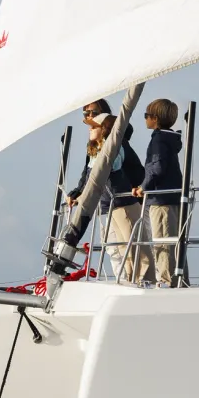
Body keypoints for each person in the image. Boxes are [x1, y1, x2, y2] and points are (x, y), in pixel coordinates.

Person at [66, 102, 144, 281]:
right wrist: (78, 192)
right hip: (104, 203)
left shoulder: (116, 143)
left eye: (93, 113)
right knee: (113, 247)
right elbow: (89, 172)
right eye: (85, 113)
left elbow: (126, 170)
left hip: (123, 201)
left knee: (128, 245)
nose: (88, 117)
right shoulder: (94, 145)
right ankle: (123, 281)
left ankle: (134, 282)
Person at [131, 98, 183, 286]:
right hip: (172, 197)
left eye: (146, 115)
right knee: (174, 242)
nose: (145, 119)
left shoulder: (159, 139)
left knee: (163, 242)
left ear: (155, 118)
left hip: (161, 198)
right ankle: (178, 279)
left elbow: (157, 167)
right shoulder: (170, 139)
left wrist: (143, 187)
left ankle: (167, 281)